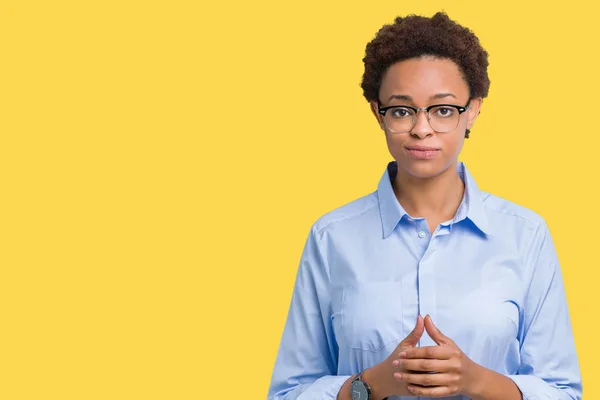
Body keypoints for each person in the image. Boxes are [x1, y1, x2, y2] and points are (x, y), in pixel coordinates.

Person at [267, 12, 582, 400]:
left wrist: (476, 380)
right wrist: (372, 384)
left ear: (473, 111)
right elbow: (288, 393)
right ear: (377, 114)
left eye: (443, 110)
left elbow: (563, 392)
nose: (421, 128)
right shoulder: (332, 236)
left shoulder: (525, 234)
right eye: (401, 110)